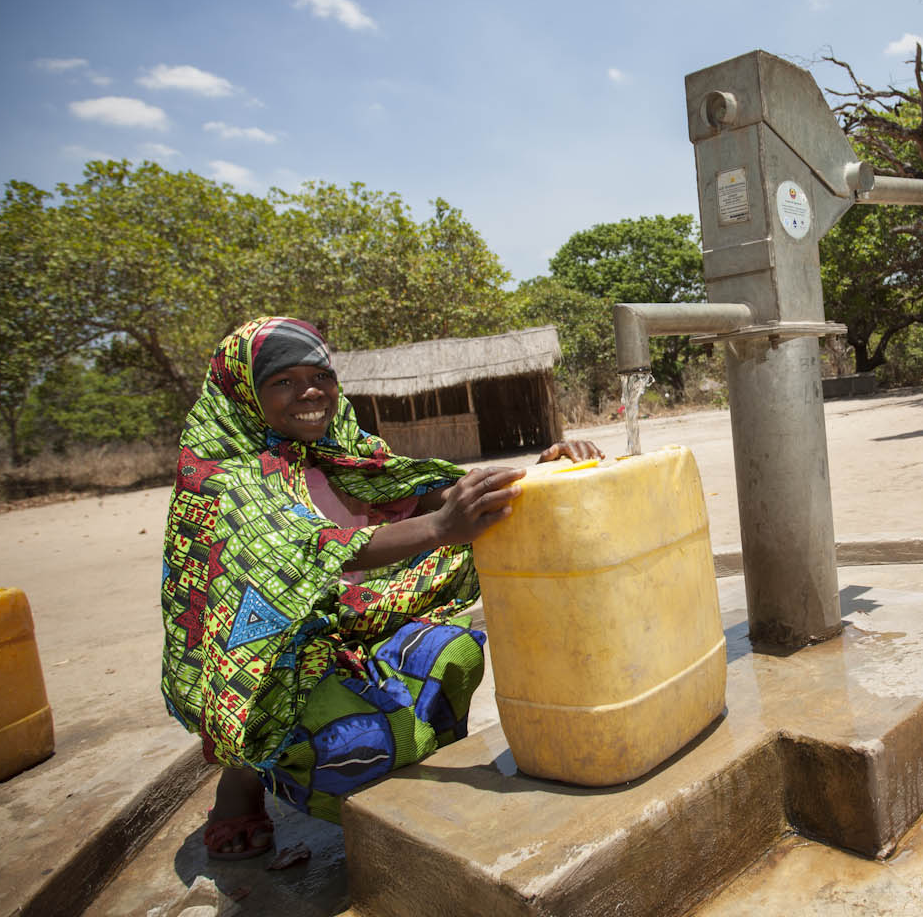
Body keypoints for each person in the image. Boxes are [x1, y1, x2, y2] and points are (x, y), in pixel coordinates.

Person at [160, 316, 602, 860]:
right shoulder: (223, 480)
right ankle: (246, 779)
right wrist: (442, 531)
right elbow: (310, 549)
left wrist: (534, 475)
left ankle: (398, 775)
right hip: (267, 664)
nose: (309, 393)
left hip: (348, 632)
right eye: (283, 382)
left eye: (320, 375)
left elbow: (428, 495)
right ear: (244, 392)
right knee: (357, 742)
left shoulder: (342, 451)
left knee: (453, 652)